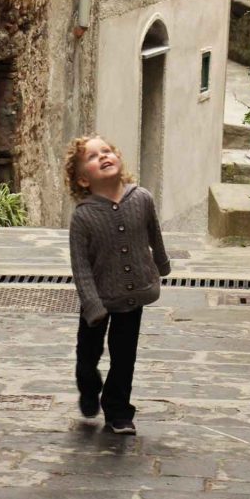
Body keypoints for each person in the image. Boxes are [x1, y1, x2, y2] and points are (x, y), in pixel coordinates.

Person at [64, 134, 170, 435]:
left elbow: (154, 234)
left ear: (119, 158)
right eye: (94, 157)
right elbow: (80, 266)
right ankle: (88, 386)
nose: (103, 157)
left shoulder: (142, 198)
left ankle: (119, 411)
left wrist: (162, 263)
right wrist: (92, 304)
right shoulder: (83, 218)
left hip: (131, 296)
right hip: (97, 299)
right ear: (84, 180)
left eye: (107, 151)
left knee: (125, 358)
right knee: (88, 356)